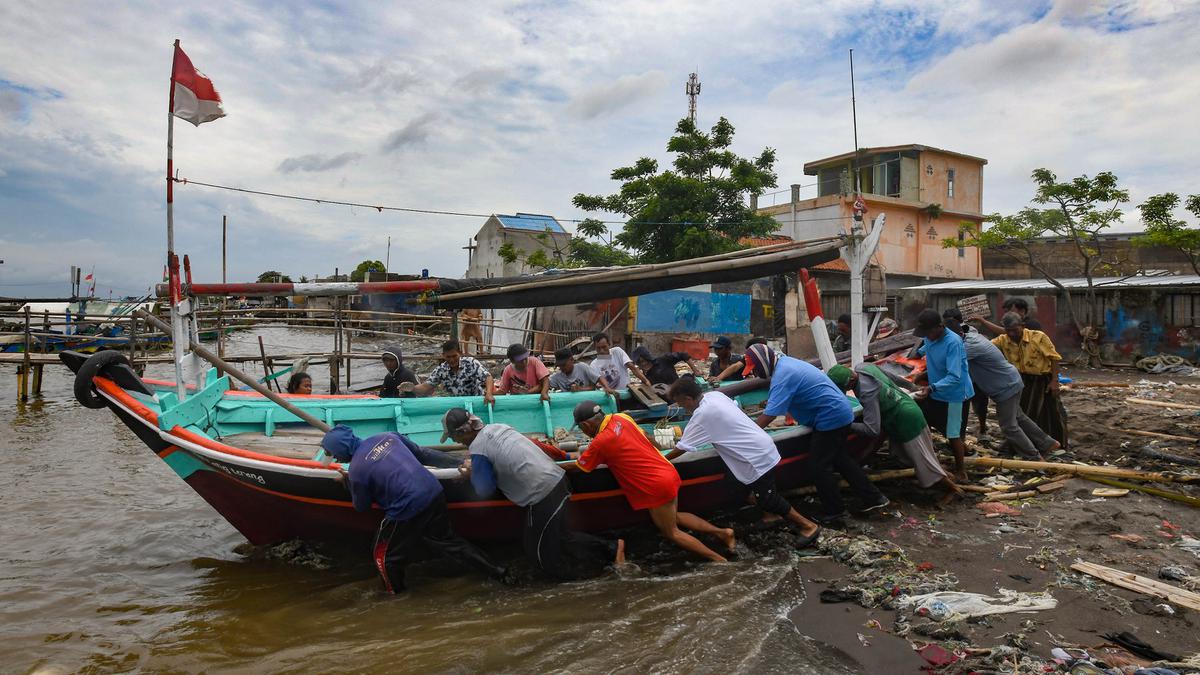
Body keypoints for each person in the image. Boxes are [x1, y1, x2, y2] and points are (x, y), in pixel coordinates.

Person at [319, 424, 507, 593]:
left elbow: (361, 507)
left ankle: (394, 597)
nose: (334, 457)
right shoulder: (389, 436)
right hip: (433, 491)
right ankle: (499, 572)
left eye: (333, 452)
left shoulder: (357, 470)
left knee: (384, 557)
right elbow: (424, 454)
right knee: (448, 542)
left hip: (407, 508)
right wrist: (459, 462)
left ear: (341, 449)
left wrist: (349, 483)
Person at [441, 408, 623, 579]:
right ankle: (612, 549)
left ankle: (574, 584)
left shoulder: (478, 449)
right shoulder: (499, 427)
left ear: (461, 432)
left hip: (544, 493)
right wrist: (565, 456)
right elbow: (537, 445)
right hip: (557, 481)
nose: (456, 442)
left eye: (454, 437)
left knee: (540, 554)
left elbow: (484, 490)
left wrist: (470, 474)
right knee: (558, 536)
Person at [666, 377, 822, 547]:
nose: (682, 408)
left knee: (769, 498)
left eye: (681, 404)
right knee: (735, 482)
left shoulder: (703, 414)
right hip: (756, 447)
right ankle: (770, 516)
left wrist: (662, 458)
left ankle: (809, 526)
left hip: (755, 456)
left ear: (688, 399)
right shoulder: (714, 396)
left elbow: (682, 447)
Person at [570, 401, 736, 562]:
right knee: (674, 517)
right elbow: (647, 438)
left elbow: (580, 467)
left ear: (586, 425)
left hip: (654, 484)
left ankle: (718, 559)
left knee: (671, 532)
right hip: (667, 470)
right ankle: (723, 533)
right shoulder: (621, 418)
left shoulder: (600, 442)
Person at [747, 344, 889, 524]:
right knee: (841, 460)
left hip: (831, 418)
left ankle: (835, 512)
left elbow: (770, 414)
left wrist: (749, 433)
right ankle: (875, 498)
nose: (756, 374)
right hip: (839, 413)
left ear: (763, 362)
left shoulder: (783, 374)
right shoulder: (787, 364)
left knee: (818, 467)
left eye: (756, 369)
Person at [826, 364, 962, 503]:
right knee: (910, 456)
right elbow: (893, 377)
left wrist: (845, 425)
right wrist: (912, 387)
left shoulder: (867, 392)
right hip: (908, 408)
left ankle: (953, 489)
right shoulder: (864, 367)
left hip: (905, 421)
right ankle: (946, 475)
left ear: (850, 383)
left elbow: (872, 430)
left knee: (923, 463)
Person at [947, 319, 1060, 460]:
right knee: (1019, 416)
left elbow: (949, 362)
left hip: (1009, 386)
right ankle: (1048, 443)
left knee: (1009, 426)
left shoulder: (970, 346)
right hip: (1011, 381)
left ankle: (1034, 457)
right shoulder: (971, 335)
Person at [911, 309, 974, 481]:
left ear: (940, 327)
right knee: (924, 419)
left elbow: (955, 376)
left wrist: (931, 388)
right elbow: (924, 351)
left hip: (955, 393)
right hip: (937, 389)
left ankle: (961, 471)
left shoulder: (953, 342)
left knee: (953, 434)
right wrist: (921, 374)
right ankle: (929, 460)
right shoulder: (929, 337)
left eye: (929, 332)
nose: (928, 336)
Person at [991, 312, 1068, 449]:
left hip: (1041, 380)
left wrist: (1055, 380)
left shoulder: (1038, 337)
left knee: (1051, 413)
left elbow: (1054, 358)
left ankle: (1057, 444)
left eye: (1015, 330)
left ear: (1022, 326)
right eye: (1008, 331)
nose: (1012, 334)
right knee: (1022, 413)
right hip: (1019, 379)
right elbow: (985, 347)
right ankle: (1025, 444)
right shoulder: (1003, 339)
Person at [415, 339, 495, 402]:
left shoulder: (471, 363)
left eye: (454, 356)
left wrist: (489, 394)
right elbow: (426, 386)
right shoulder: (441, 370)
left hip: (475, 402)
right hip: (456, 405)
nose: (452, 360)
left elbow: (488, 377)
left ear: (460, 353)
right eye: (448, 357)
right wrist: (411, 388)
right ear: (443, 355)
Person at [630, 346, 699, 387]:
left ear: (647, 359)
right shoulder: (645, 376)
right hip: (665, 400)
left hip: (678, 391)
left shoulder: (664, 360)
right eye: (638, 363)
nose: (642, 365)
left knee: (688, 378)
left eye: (642, 361)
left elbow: (684, 355)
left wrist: (695, 371)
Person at [972, 297, 1043, 335]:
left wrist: (983, 321)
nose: (1008, 315)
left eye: (1011, 312)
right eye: (1006, 312)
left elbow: (1006, 332)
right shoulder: (1006, 323)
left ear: (1022, 311)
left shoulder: (1032, 324)